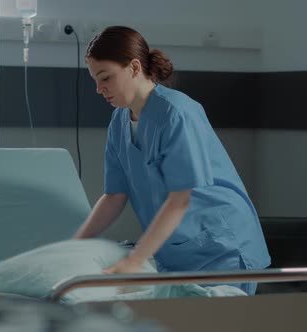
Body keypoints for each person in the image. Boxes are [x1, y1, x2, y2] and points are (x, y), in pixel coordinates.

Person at [74, 26, 270, 295]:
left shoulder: (177, 113)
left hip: (221, 247)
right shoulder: (119, 123)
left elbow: (181, 199)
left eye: (105, 77)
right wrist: (74, 245)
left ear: (133, 67)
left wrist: (135, 260)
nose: (98, 89)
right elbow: (114, 196)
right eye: (94, 80)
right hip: (179, 252)